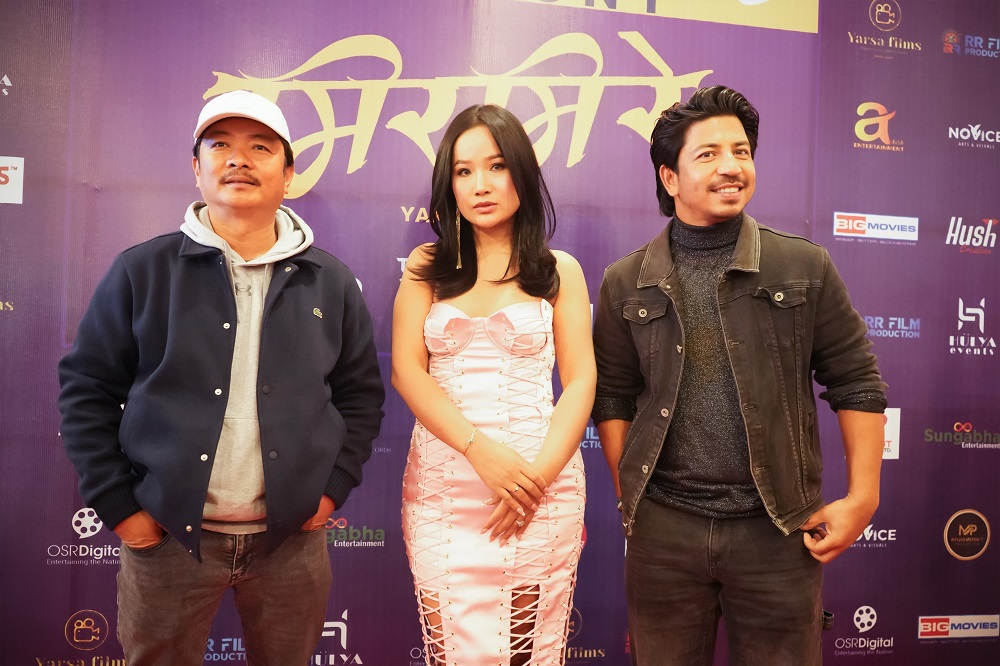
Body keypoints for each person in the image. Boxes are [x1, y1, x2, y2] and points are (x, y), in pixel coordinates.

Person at [57, 90, 385, 665]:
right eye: (220, 146)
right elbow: (87, 391)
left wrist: (330, 492)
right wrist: (120, 508)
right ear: (196, 167)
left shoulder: (330, 282)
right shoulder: (142, 270)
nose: (238, 159)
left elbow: (360, 397)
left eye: (260, 147)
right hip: (168, 539)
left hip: (292, 542)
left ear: (288, 173)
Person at [591, 85, 887, 665]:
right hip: (664, 533)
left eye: (742, 151)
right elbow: (613, 397)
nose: (731, 166)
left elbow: (856, 380)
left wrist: (864, 497)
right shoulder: (626, 280)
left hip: (778, 529)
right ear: (669, 177)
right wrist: (634, 499)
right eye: (708, 154)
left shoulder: (803, 265)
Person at [392, 104, 595, 665]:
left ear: (521, 175)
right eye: (464, 171)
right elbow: (407, 370)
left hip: (537, 483)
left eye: (496, 166)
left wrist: (536, 480)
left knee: (529, 654)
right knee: (449, 652)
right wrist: (479, 451)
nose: (480, 184)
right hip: (444, 488)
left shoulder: (559, 269)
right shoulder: (426, 266)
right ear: (449, 184)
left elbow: (581, 381)